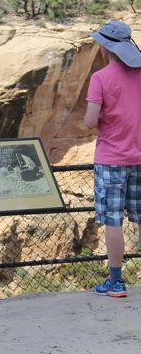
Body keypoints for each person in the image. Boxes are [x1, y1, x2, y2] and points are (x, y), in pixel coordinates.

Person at [84, 20, 141, 298]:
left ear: (106, 48)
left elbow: (90, 121)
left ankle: (116, 282)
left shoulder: (101, 78)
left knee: (114, 221)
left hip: (111, 158)